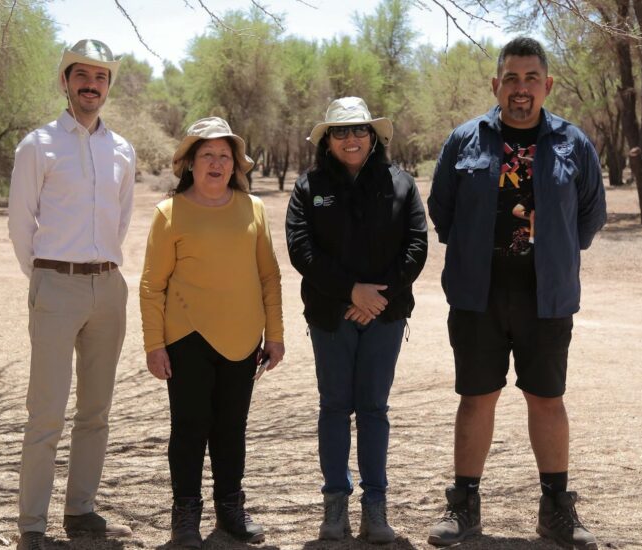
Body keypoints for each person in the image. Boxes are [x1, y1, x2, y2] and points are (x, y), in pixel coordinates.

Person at [426, 37, 606, 549]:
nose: (521, 89)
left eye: (531, 79)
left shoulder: (574, 144)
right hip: (477, 295)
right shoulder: (465, 141)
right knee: (476, 397)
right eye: (511, 78)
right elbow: (442, 212)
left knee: (547, 399)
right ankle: (463, 507)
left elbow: (590, 215)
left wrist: (554, 253)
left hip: (545, 297)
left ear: (547, 86)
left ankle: (556, 511)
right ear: (495, 84)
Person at [8, 39, 135, 550]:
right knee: (46, 413)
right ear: (65, 82)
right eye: (82, 76)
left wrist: (99, 268)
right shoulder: (37, 145)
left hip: (109, 287)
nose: (91, 85)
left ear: (108, 85)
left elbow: (121, 220)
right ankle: (32, 526)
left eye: (101, 77)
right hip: (55, 285)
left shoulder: (120, 149)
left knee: (96, 410)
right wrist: (45, 278)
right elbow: (21, 223)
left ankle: (80, 509)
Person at [286, 97, 428, 543]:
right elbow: (301, 250)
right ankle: (334, 508)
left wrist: (376, 297)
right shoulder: (309, 188)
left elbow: (416, 246)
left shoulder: (401, 184)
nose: (351, 138)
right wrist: (351, 292)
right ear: (327, 140)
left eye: (359, 130)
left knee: (373, 410)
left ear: (374, 137)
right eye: (341, 131)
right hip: (331, 317)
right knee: (333, 408)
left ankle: (375, 509)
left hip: (384, 317)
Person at [140, 117, 285, 548]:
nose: (217, 164)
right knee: (189, 427)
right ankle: (185, 514)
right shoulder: (169, 213)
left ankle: (230, 510)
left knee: (231, 428)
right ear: (191, 163)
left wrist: (274, 335)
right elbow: (152, 286)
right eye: (208, 156)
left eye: (225, 156)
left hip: (243, 340)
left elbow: (269, 277)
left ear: (235, 164)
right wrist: (154, 345)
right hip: (187, 339)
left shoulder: (253, 209)